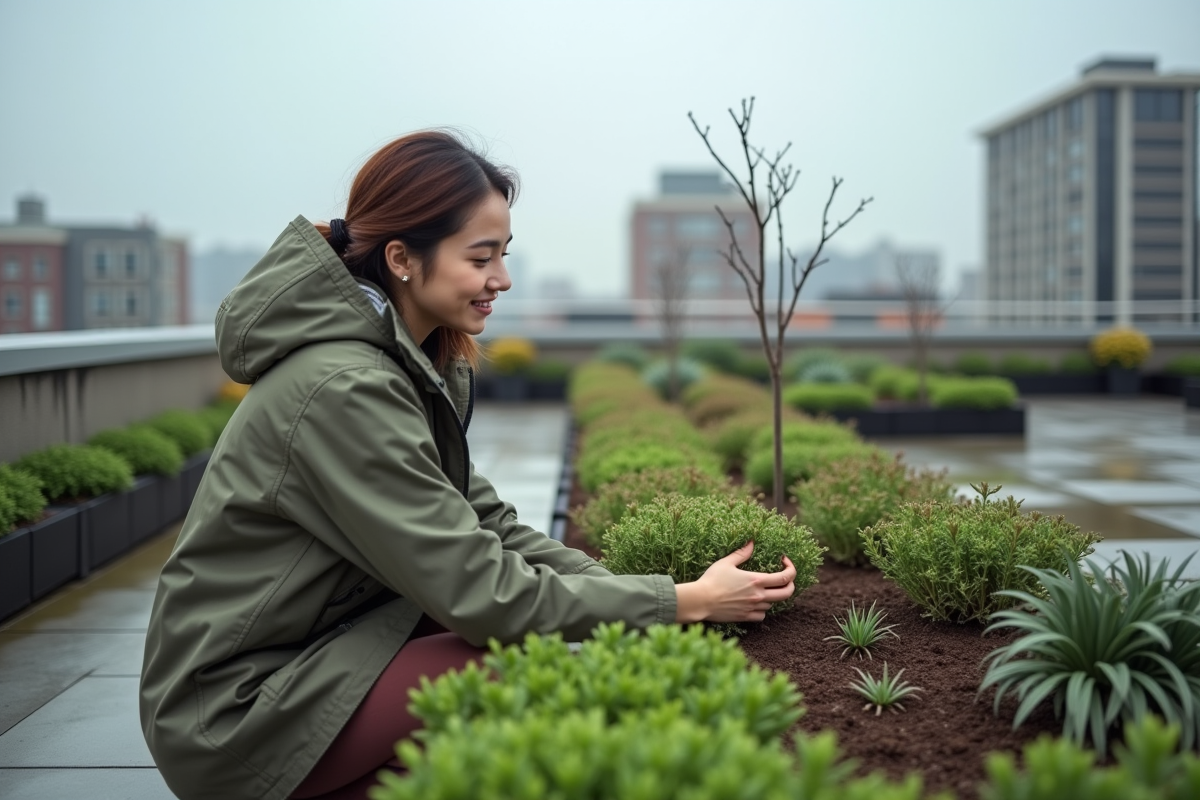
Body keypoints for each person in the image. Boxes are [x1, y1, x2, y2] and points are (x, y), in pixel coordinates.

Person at [139, 130, 798, 800]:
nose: (502, 279)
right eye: (481, 257)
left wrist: (647, 595)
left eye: (503, 254)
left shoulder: (398, 367)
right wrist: (681, 602)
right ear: (402, 258)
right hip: (235, 710)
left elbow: (492, 528)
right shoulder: (345, 390)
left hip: (317, 649)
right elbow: (483, 592)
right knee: (521, 672)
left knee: (520, 668)